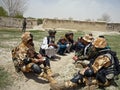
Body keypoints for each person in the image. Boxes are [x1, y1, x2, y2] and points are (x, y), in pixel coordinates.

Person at [50, 37, 120, 90]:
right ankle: (71, 84)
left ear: (97, 47)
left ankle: (67, 85)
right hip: (101, 75)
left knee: (84, 74)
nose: (93, 47)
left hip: (105, 80)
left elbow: (91, 71)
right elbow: (94, 65)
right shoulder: (103, 53)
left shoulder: (104, 57)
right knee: (83, 75)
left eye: (94, 46)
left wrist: (82, 71)